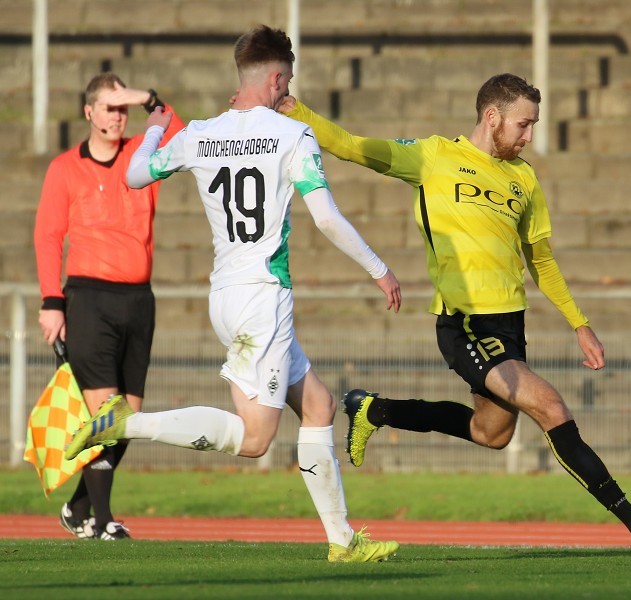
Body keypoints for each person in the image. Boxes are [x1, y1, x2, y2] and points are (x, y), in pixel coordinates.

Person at [277, 73, 631, 557]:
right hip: (465, 323)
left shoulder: (523, 177)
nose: (529, 136)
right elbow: (354, 147)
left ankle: (373, 409)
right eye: (523, 125)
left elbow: (540, 259)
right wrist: (298, 112)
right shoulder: (435, 156)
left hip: (510, 325)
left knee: (492, 434)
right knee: (551, 407)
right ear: (492, 117)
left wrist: (579, 323)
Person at [64, 25, 402, 563]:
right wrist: (379, 268)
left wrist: (154, 129)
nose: (288, 91)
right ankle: (126, 423)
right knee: (255, 439)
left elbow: (132, 174)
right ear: (275, 78)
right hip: (264, 299)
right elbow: (327, 219)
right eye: (286, 81)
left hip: (225, 293)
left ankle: (343, 542)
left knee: (318, 404)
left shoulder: (201, 132)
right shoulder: (292, 135)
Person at [34, 73, 185, 540]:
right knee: (106, 415)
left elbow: (178, 129)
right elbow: (48, 235)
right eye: (109, 106)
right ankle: (101, 521)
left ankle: (77, 508)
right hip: (88, 299)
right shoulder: (64, 168)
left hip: (138, 300)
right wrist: (51, 302)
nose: (117, 116)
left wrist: (147, 98)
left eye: (123, 108)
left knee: (128, 420)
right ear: (89, 113)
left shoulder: (144, 155)